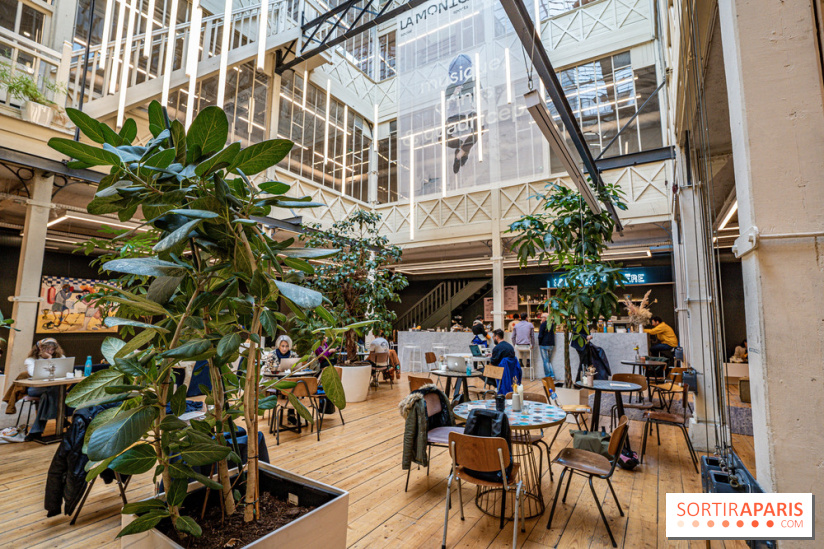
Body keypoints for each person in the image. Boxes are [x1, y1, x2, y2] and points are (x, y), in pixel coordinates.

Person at [22, 338, 66, 441]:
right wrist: (49, 359)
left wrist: (50, 359)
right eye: (47, 349)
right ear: (40, 348)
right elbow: (34, 374)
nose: (50, 352)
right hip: (36, 389)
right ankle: (61, 419)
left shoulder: (61, 357)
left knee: (47, 395)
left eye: (52, 349)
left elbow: (63, 372)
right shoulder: (31, 360)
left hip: (50, 390)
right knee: (56, 391)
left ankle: (35, 432)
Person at [537, 313, 556, 379]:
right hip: (551, 345)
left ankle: (548, 376)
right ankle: (552, 376)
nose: (541, 318)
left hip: (544, 344)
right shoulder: (552, 324)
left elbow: (540, 335)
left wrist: (539, 343)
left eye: (542, 317)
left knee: (545, 361)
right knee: (548, 360)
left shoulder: (543, 324)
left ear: (545, 318)